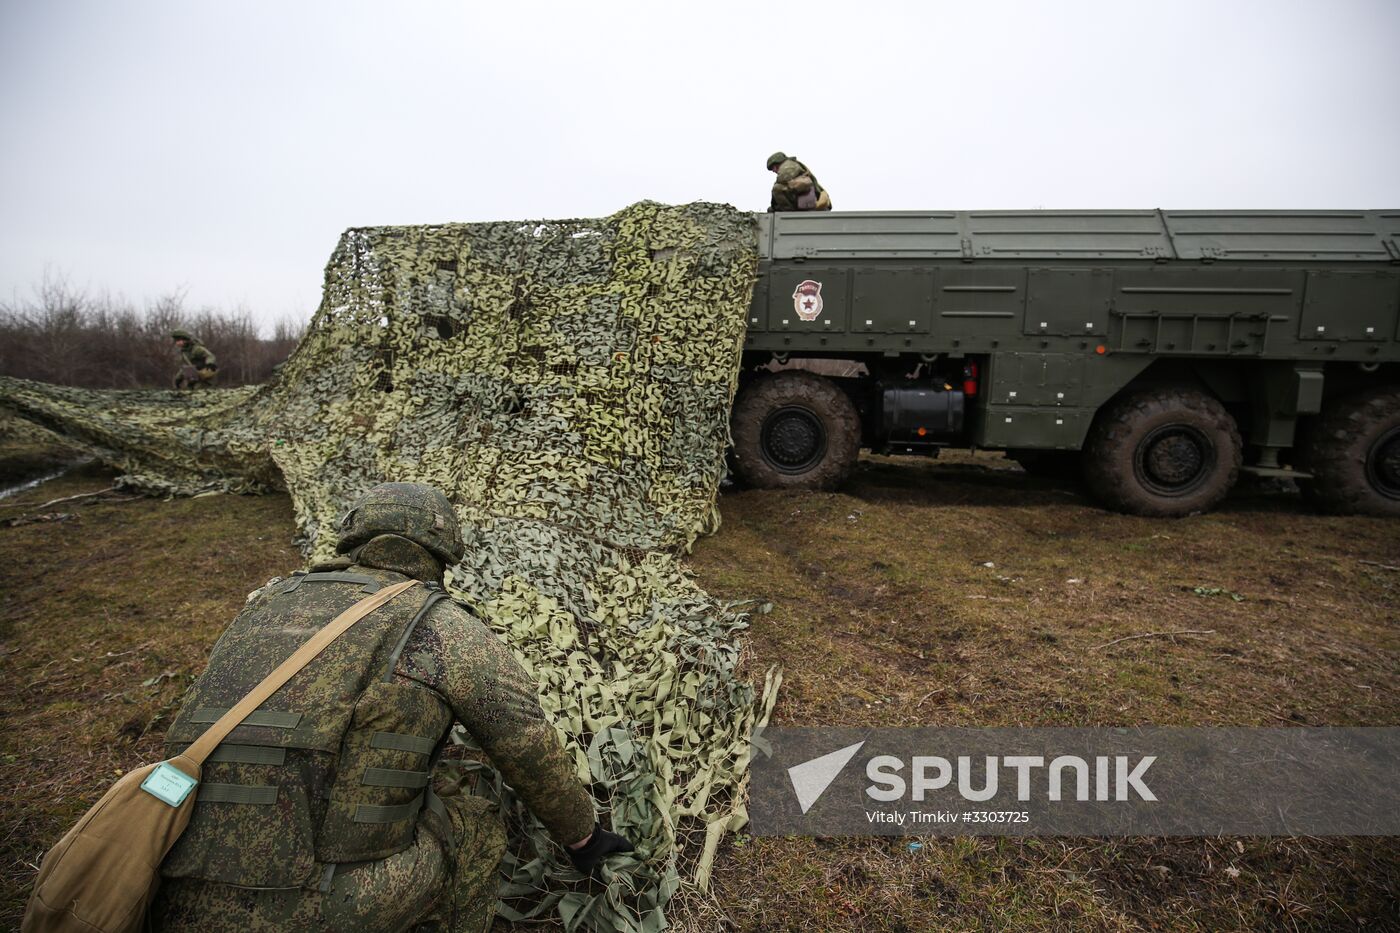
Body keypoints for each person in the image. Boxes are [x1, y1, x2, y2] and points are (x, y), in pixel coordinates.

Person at [150, 482, 632, 931]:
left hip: (170, 886)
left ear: (354, 536)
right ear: (443, 551)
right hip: (314, 906)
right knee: (477, 828)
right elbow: (529, 748)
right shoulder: (444, 627)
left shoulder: (264, 604)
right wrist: (583, 838)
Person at [766, 151, 832, 212]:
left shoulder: (789, 165)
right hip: (806, 201)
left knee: (777, 188)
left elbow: (783, 178)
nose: (773, 170)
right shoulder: (790, 164)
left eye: (773, 167)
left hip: (816, 202)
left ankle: (788, 214)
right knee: (772, 208)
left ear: (778, 162)